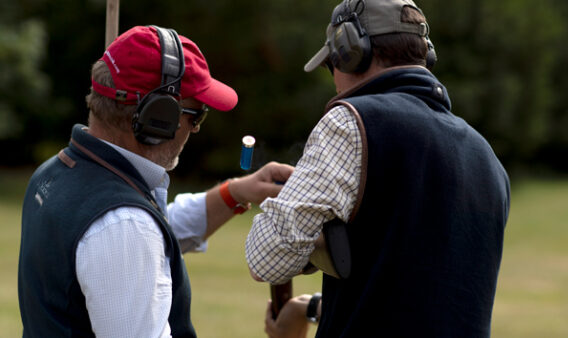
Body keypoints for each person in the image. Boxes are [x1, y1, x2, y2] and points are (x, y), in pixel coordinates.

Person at [245, 0, 510, 337]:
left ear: (349, 51)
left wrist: (305, 210)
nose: (335, 79)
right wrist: (310, 308)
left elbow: (266, 257)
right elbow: (416, 298)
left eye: (331, 64)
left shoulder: (349, 122)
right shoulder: (487, 157)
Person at [18, 25, 293, 337]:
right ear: (160, 116)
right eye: (197, 115)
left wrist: (235, 193)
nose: (197, 128)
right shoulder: (124, 224)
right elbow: (130, 235)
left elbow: (150, 236)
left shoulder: (57, 173)